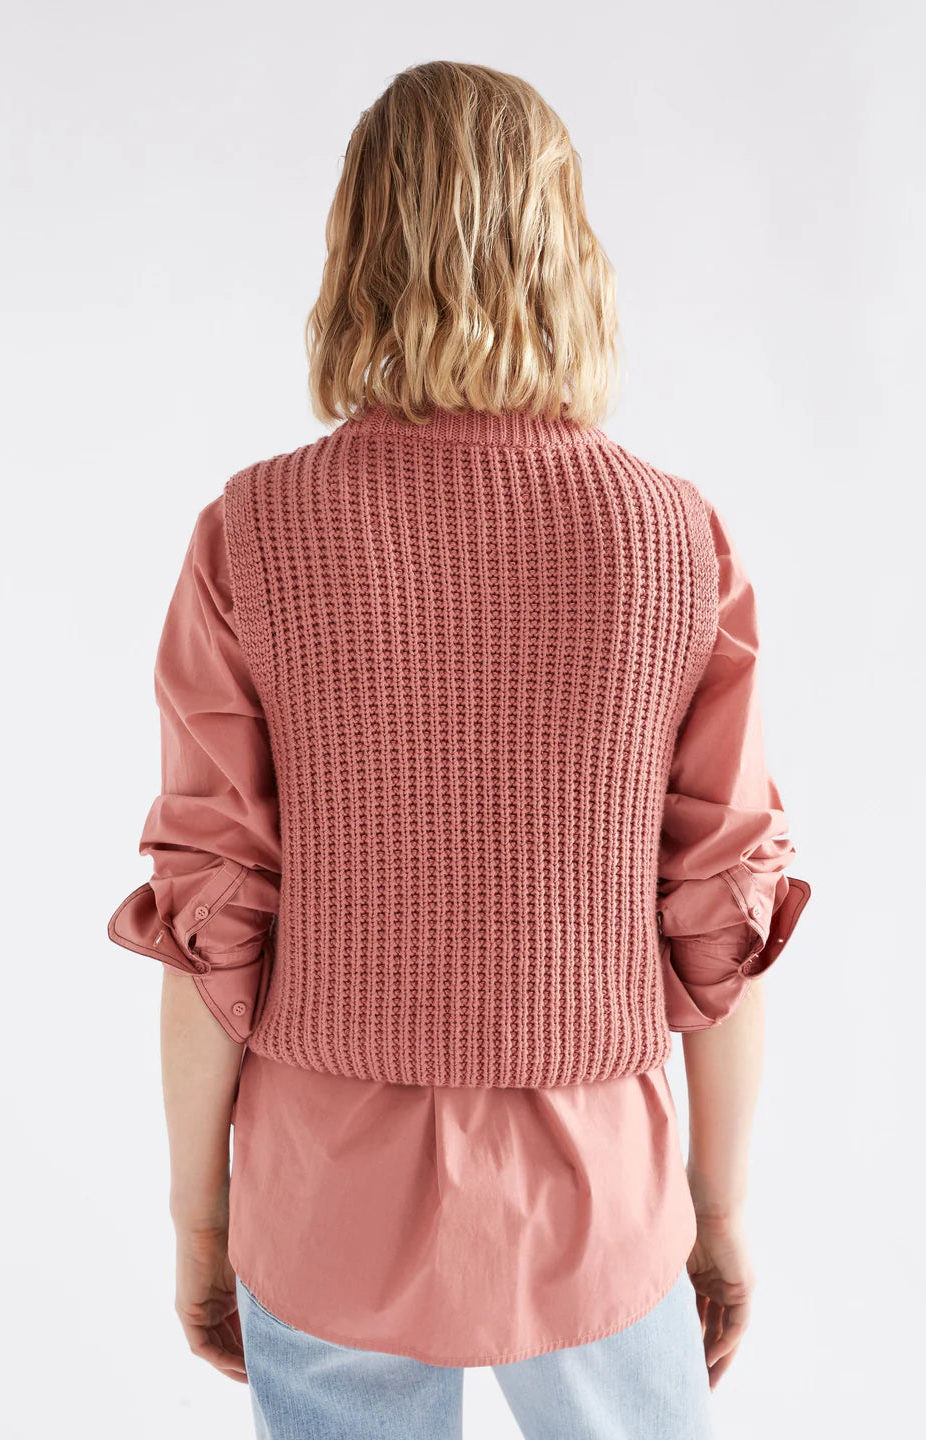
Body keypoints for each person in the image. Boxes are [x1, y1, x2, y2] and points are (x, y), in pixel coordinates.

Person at [107, 59, 812, 1440]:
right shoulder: (675, 539)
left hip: (321, 1194)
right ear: (567, 253)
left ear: (357, 252)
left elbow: (212, 917)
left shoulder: (253, 533)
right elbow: (722, 915)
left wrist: (201, 1220)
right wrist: (717, 1213)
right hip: (601, 1202)